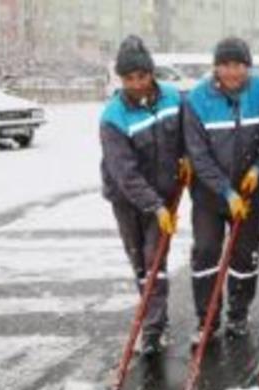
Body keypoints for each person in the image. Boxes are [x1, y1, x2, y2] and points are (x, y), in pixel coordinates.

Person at [99, 35, 188, 356]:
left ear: (151, 72)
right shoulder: (113, 116)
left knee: (155, 258)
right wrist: (153, 205)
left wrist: (186, 157)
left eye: (142, 75)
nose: (136, 83)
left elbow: (186, 135)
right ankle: (153, 316)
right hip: (126, 198)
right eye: (128, 78)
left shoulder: (173, 99)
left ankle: (153, 327)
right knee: (140, 260)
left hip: (164, 193)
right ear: (121, 79)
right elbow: (124, 173)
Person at [183, 37, 259, 344]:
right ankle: (206, 317)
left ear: (248, 66)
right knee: (207, 250)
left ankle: (238, 314)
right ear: (215, 67)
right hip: (209, 195)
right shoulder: (197, 99)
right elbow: (198, 155)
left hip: (251, 193)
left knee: (245, 256)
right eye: (225, 65)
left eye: (238, 64)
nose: (232, 71)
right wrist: (226, 191)